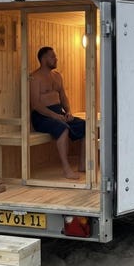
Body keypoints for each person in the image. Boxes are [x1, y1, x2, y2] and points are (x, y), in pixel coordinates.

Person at [30, 47, 85, 179]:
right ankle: (66, 170)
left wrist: (68, 112)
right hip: (42, 116)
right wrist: (55, 116)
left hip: (59, 112)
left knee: (85, 126)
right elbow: (35, 104)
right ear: (43, 59)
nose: (56, 59)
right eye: (52, 57)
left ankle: (83, 164)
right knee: (62, 128)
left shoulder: (57, 76)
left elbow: (63, 97)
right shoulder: (35, 77)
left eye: (55, 56)